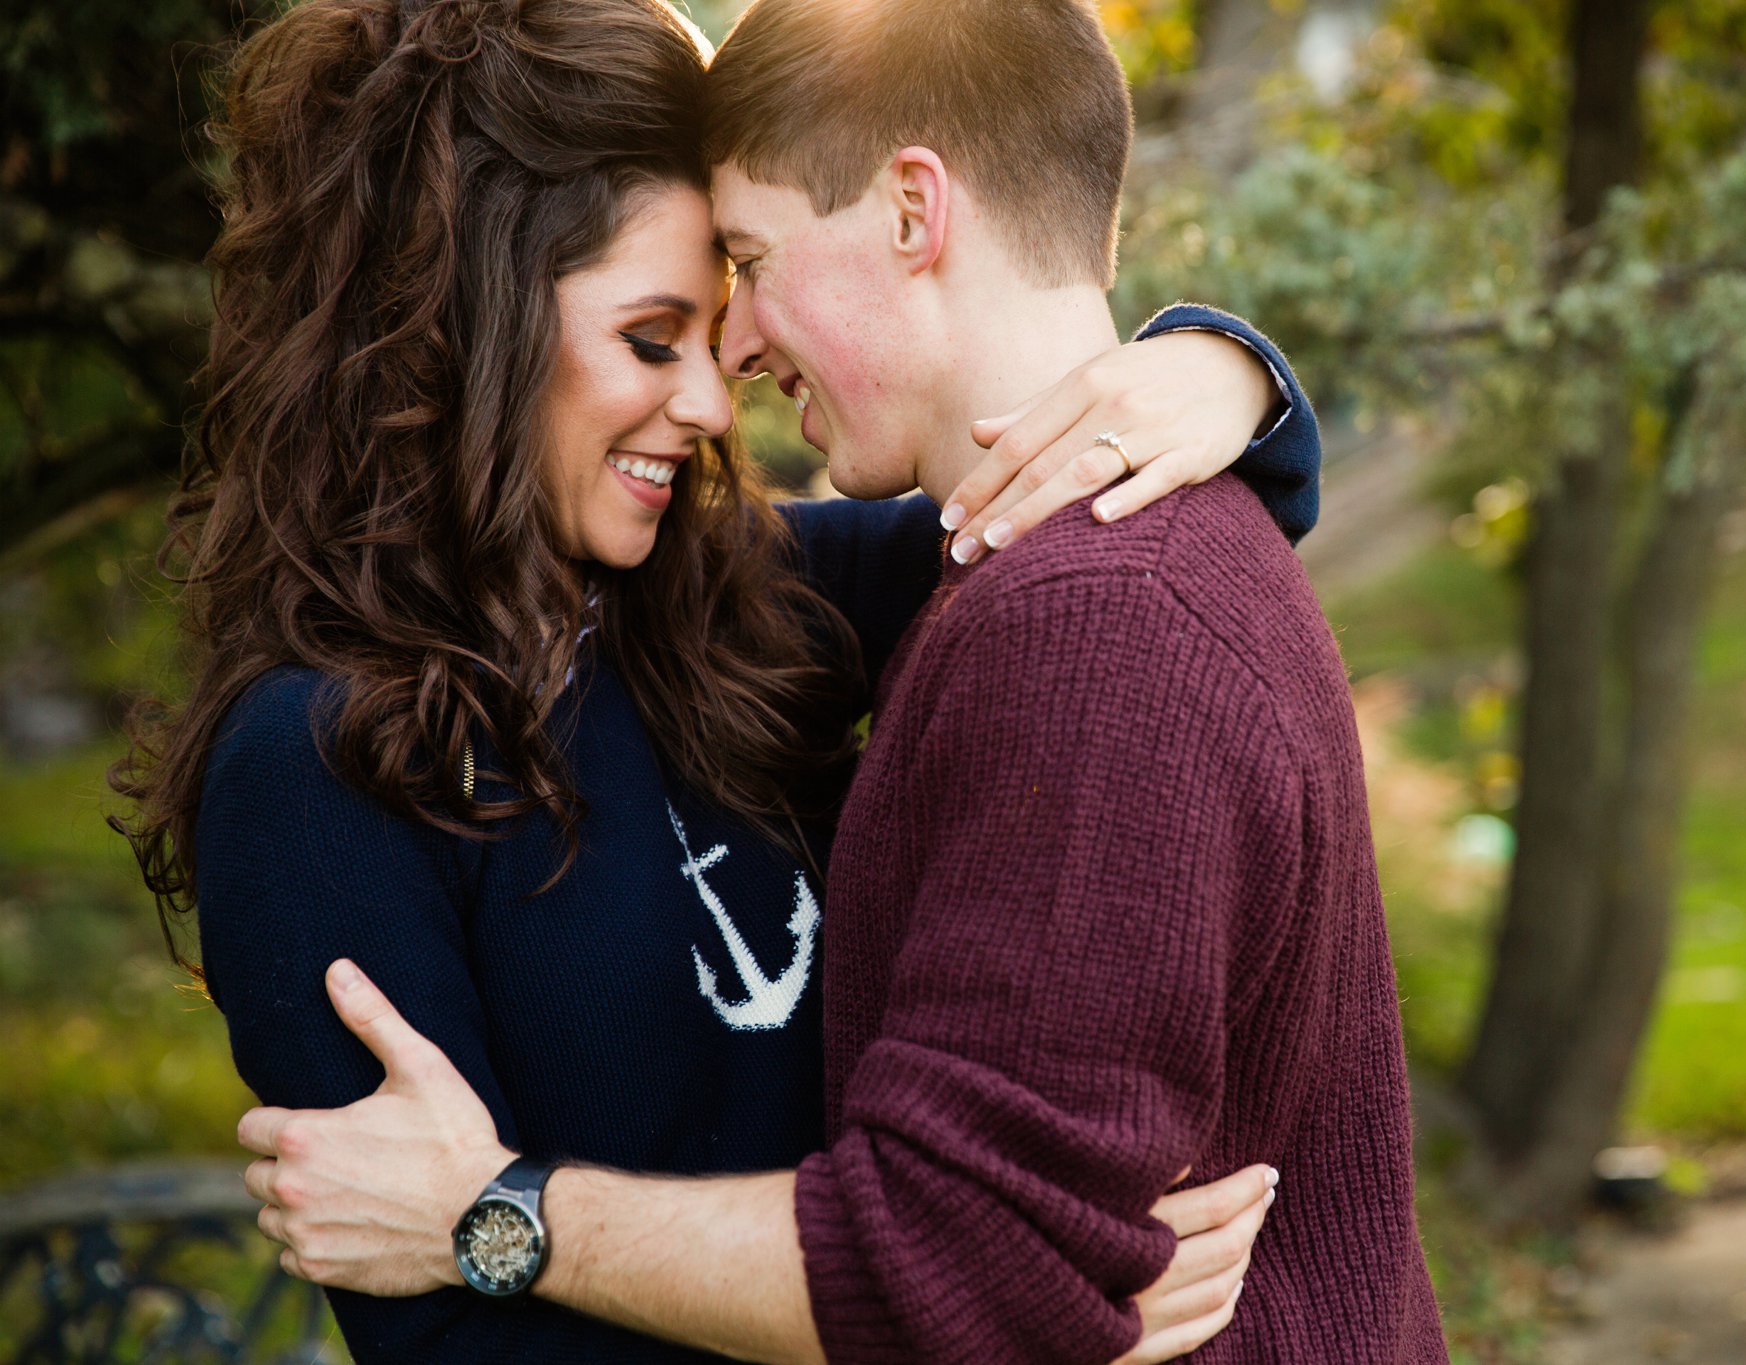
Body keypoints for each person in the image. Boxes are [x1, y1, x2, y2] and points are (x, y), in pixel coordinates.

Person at [236, 0, 1451, 1362]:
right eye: (656, 337)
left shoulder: (745, 605)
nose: (719, 388)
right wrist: (991, 1298)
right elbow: (445, 1326)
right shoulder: (320, 763)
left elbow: (1127, 555)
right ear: (465, 335)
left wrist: (1220, 373)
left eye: (732, 293)